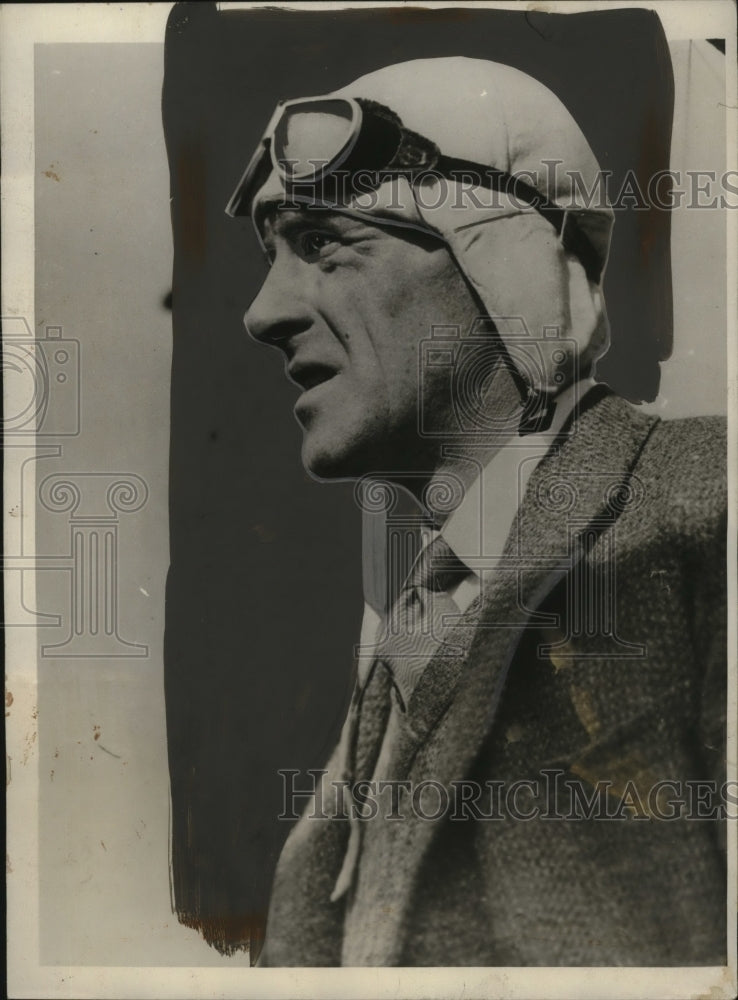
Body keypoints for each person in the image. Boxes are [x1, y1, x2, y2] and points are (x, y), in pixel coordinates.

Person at [226, 57, 727, 966]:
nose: (265, 314)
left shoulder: (709, 500)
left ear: (501, 267)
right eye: (273, 259)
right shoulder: (399, 626)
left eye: (324, 242)